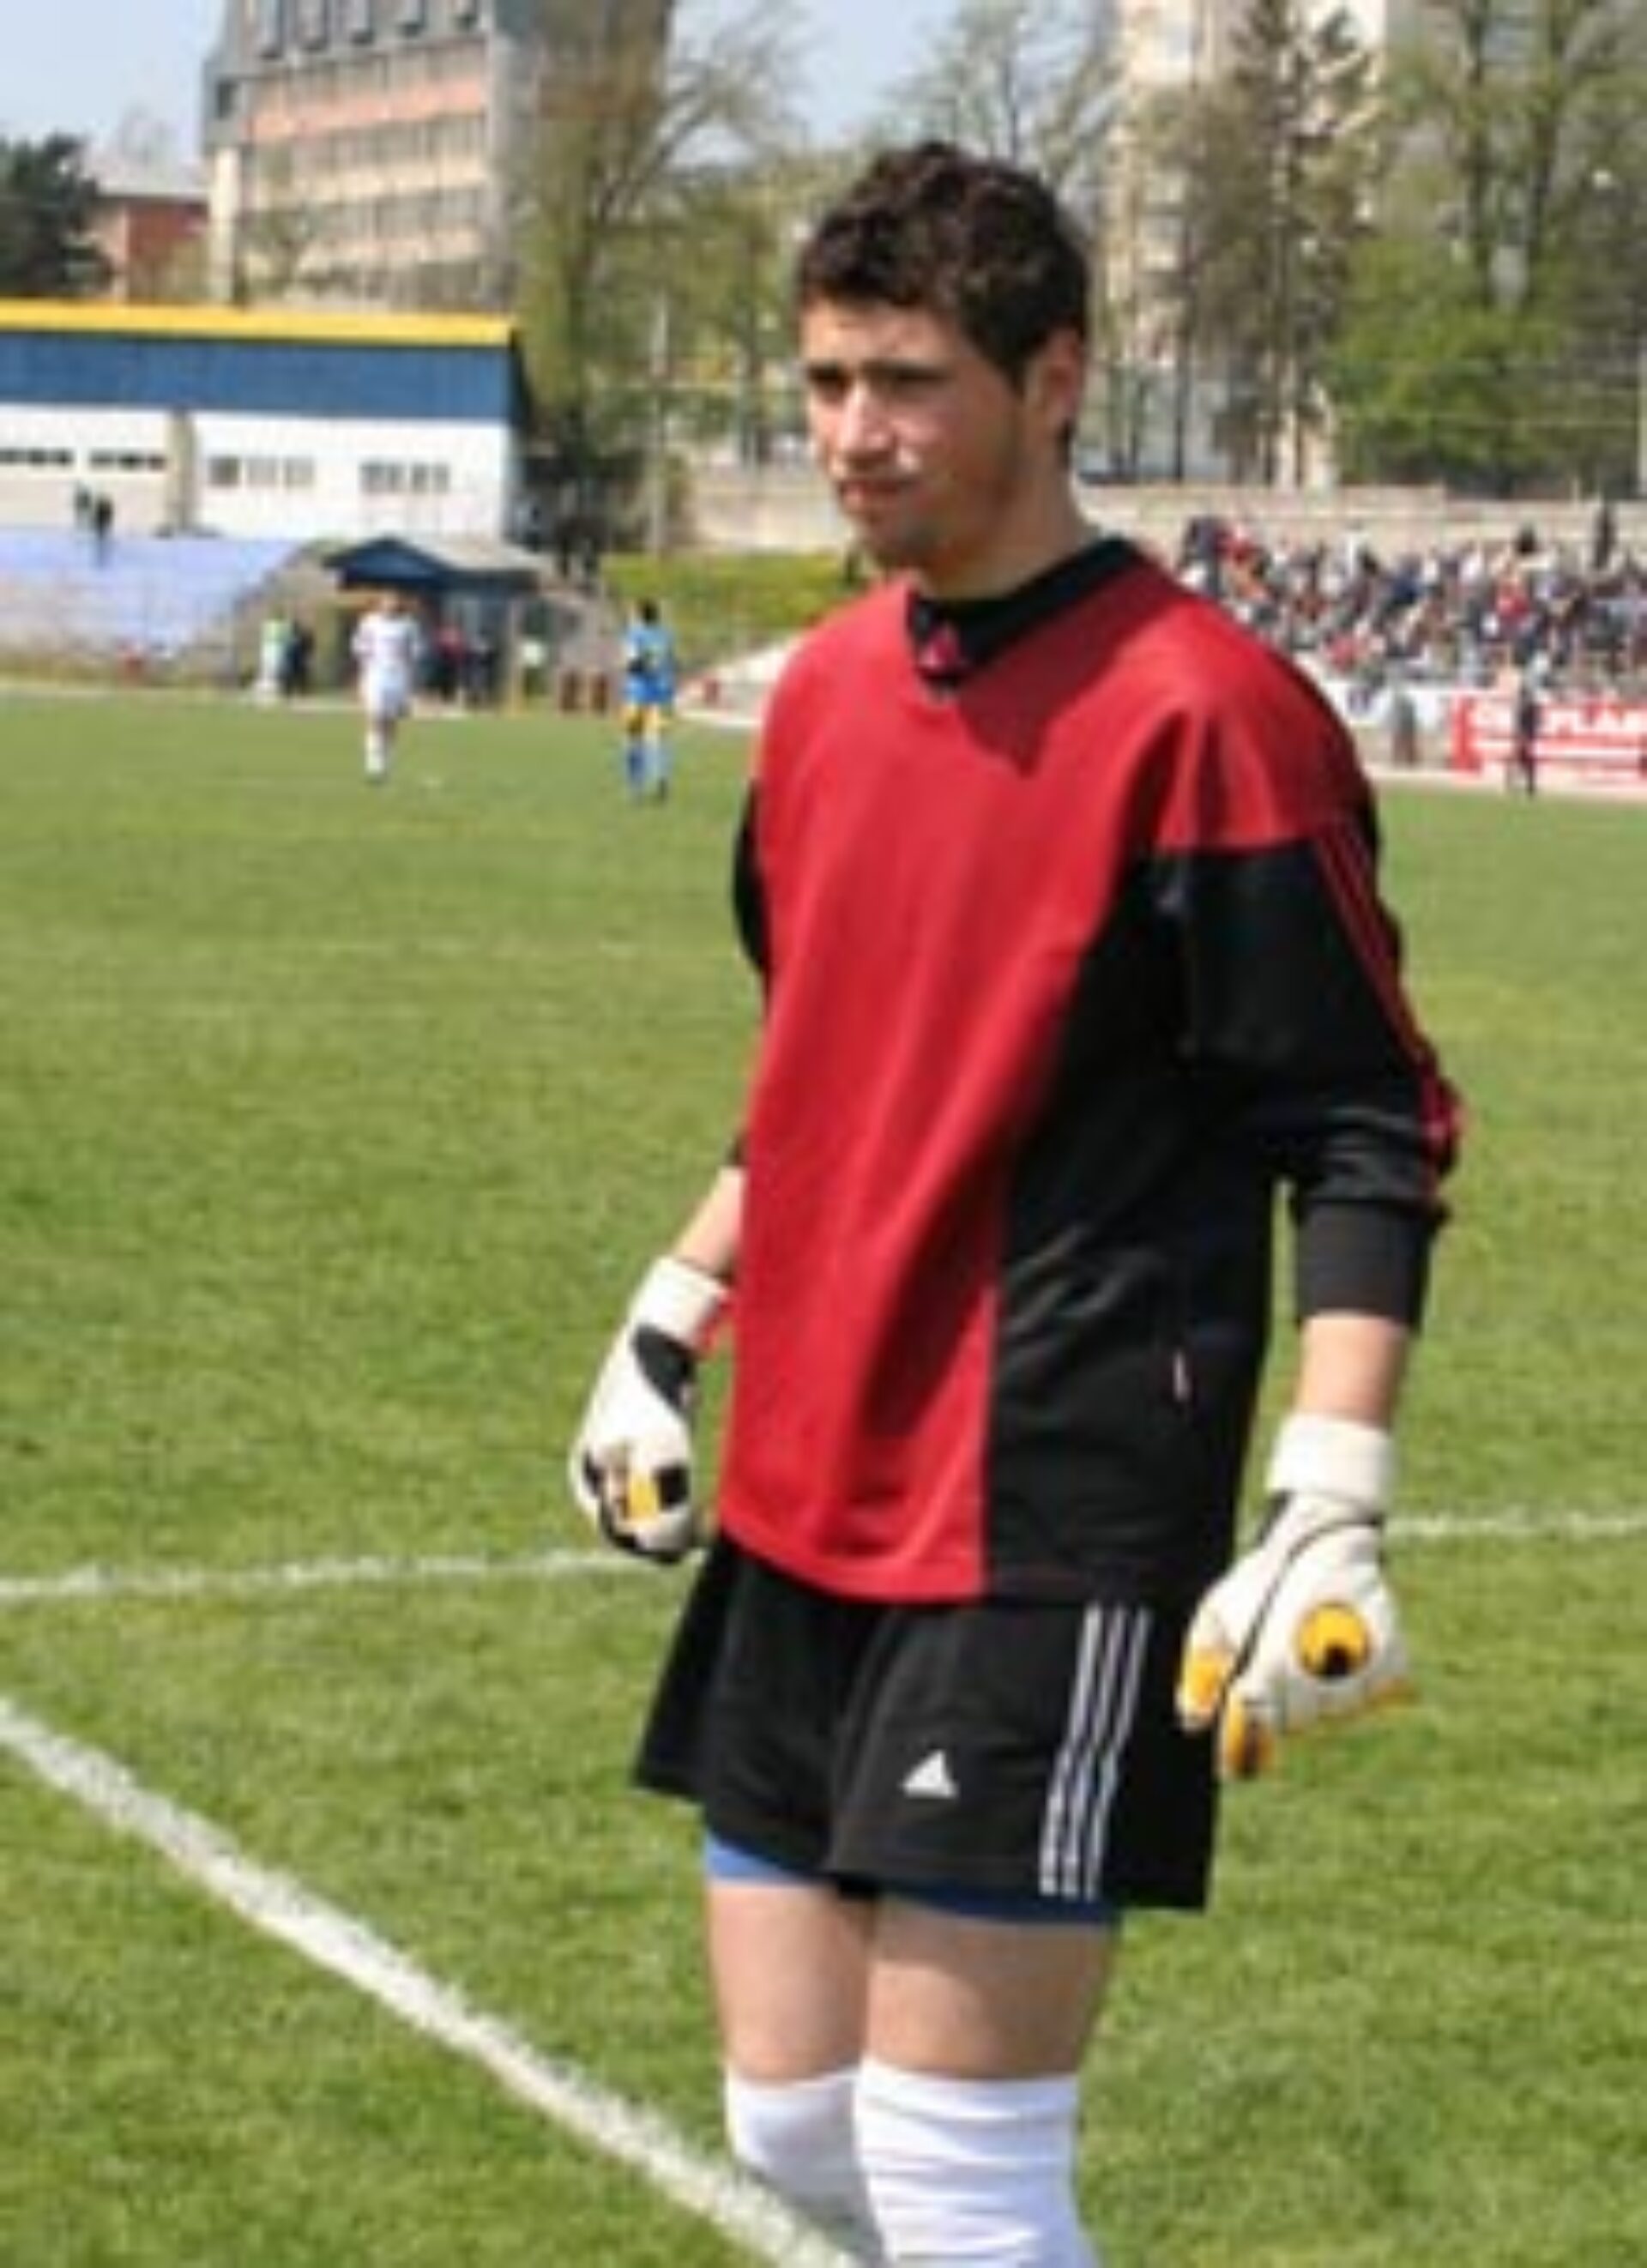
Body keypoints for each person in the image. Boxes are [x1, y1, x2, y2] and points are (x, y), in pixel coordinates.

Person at [568, 142, 1461, 2265]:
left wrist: (1329, 1492)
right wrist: (666, 1316)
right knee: (796, 2126)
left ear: (1052, 378)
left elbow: (1365, 1119)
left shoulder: (1208, 716)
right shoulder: (822, 698)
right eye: (825, 381)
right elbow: (830, 1068)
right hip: (805, 1479)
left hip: (1045, 1505)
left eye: (908, 381)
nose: (853, 432)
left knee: (960, 2175)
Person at [351, 589, 420, 785]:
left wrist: (410, 681)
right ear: (380, 603)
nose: (390, 605)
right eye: (387, 601)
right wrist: (362, 672)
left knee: (391, 722)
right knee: (374, 717)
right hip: (375, 676)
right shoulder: (369, 622)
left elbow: (414, 652)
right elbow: (359, 648)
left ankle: (385, 765)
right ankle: (373, 766)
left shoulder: (408, 625)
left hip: (398, 677)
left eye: (394, 601)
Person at [620, 597, 679, 799]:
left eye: (634, 613)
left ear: (639, 615)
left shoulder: (634, 634)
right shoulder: (666, 635)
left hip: (638, 695)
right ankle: (661, 777)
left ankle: (635, 787)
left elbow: (633, 665)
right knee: (661, 739)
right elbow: (673, 662)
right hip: (663, 696)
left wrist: (639, 666)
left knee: (633, 739)